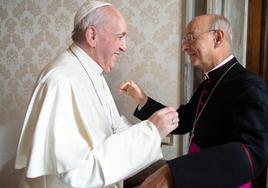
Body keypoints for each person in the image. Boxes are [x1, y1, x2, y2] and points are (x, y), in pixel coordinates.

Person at [14, 1, 179, 188]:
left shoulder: (92, 71)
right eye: (120, 36)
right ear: (92, 35)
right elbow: (78, 174)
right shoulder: (63, 81)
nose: (124, 46)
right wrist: (150, 133)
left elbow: (112, 130)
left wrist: (154, 132)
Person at [119, 14, 268, 188]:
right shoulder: (208, 83)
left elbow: (252, 153)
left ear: (218, 37)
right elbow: (182, 120)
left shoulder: (250, 85)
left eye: (191, 37)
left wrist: (173, 173)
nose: (184, 46)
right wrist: (142, 99)